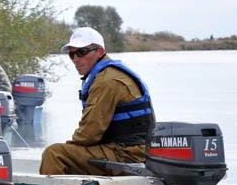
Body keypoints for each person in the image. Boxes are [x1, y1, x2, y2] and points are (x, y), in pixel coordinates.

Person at [39, 27, 155, 176]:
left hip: (127, 155)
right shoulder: (107, 75)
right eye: (72, 54)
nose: (76, 59)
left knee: (55, 154)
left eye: (81, 52)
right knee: (67, 153)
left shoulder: (107, 81)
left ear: (100, 51)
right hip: (130, 151)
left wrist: (69, 151)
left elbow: (88, 134)